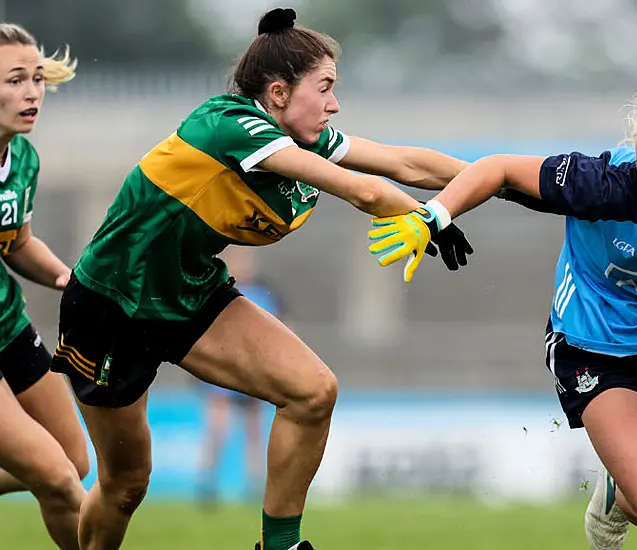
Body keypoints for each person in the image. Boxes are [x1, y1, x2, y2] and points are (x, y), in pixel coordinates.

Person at [49, 8, 472, 550]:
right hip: (112, 305)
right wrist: (426, 216)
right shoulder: (233, 125)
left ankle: (280, 545)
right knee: (126, 484)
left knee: (313, 392)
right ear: (277, 92)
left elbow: (403, 163)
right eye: (324, 88)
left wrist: (516, 181)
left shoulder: (297, 133)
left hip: (190, 294)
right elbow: (363, 190)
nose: (334, 104)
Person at [367, 31, 637, 550]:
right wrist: (432, 215)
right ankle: (617, 493)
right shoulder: (603, 184)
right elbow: (497, 168)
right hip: (595, 346)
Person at [0, 23, 89, 550]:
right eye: (15, 80)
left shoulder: (23, 160)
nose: (33, 92)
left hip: (10, 326)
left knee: (73, 462)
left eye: (37, 78)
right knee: (56, 479)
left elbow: (16, 242)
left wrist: (69, 278)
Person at [197, 247, 281, 508]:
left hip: (254, 374)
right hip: (221, 371)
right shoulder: (217, 291)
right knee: (218, 429)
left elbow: (282, 330)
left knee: (254, 432)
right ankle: (207, 483)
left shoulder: (265, 293)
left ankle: (254, 485)